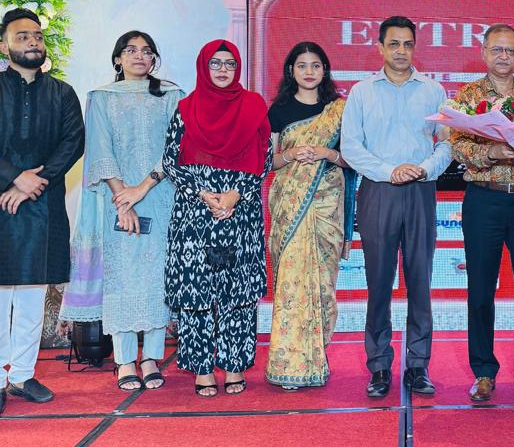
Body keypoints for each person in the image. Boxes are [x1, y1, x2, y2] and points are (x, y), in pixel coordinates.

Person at [60, 32, 183, 392]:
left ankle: (151, 358)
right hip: (117, 201)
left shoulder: (172, 96)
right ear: (118, 59)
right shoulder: (102, 97)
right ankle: (125, 360)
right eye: (131, 50)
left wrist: (142, 189)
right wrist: (123, 199)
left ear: (154, 59)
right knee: (122, 278)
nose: (139, 56)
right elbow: (99, 149)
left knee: (157, 277)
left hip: (161, 195)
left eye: (147, 51)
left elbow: (177, 148)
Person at [341, 16, 451, 398]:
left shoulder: (434, 91)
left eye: (407, 44)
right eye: (394, 44)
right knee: (378, 283)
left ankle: (418, 365)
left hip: (421, 190)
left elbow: (447, 144)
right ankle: (379, 366)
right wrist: (390, 171)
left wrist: (423, 169)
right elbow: (351, 147)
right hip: (378, 191)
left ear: (414, 47)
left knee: (420, 281)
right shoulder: (361, 93)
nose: (401, 51)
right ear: (380, 47)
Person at [163, 40, 272, 398]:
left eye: (229, 64)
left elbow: (265, 157)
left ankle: (235, 365)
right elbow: (170, 161)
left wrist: (236, 194)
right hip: (195, 215)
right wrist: (204, 194)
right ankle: (202, 368)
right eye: (215, 63)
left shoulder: (254, 106)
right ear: (203, 67)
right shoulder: (186, 109)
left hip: (240, 214)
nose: (223, 70)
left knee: (238, 293)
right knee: (196, 293)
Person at [450, 24, 514, 404]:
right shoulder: (468, 96)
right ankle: (484, 372)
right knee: (480, 290)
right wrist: (491, 152)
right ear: (484, 52)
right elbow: (457, 144)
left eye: (509, 50)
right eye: (496, 50)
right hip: (483, 200)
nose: (503, 56)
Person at [0, 8, 83, 413]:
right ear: (4, 46)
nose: (32, 41)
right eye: (21, 36)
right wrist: (14, 178)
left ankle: (22, 375)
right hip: (1, 200)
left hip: (43, 205)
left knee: (33, 295)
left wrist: (37, 181)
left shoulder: (62, 93)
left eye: (36, 35)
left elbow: (73, 142)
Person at [265, 42, 357, 390]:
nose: (308, 71)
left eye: (315, 65)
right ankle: (288, 364)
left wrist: (325, 153)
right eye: (301, 65)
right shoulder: (279, 110)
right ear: (291, 70)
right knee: (292, 284)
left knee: (322, 286)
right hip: (291, 205)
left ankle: (317, 358)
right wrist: (290, 156)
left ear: (324, 70)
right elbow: (268, 161)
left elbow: (353, 160)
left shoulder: (340, 111)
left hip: (326, 207)